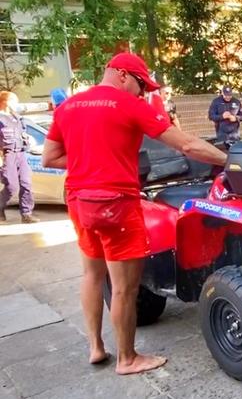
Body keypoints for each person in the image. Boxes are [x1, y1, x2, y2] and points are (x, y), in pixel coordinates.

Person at [42, 52, 227, 376]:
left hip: (79, 200)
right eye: (142, 85)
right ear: (123, 75)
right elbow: (185, 145)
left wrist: (89, 162)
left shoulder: (67, 106)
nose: (143, 93)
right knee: (125, 288)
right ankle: (127, 358)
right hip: (115, 203)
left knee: (92, 275)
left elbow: (50, 158)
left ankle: (97, 348)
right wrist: (230, 160)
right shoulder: (129, 105)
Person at [0, 91, 39, 224]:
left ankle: (26, 214)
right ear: (5, 102)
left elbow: (23, 134)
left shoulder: (17, 118)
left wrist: (27, 138)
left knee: (26, 183)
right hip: (7, 154)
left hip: (21, 154)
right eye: (13, 102)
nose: (16, 105)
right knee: (11, 186)